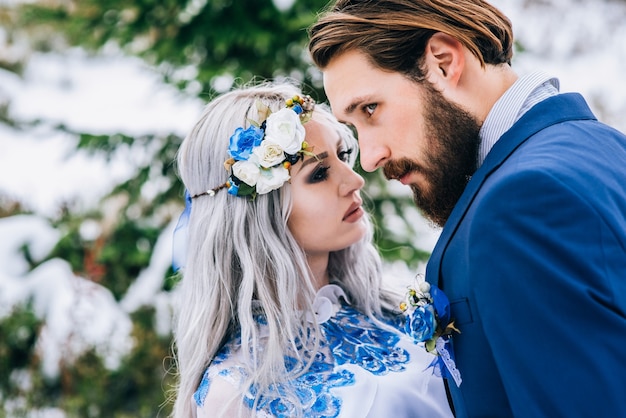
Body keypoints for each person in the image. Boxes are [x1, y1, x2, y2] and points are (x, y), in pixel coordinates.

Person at [308, 0, 626, 417]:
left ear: (442, 62)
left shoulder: (519, 203)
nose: (369, 159)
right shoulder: (604, 147)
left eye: (370, 109)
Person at [171, 82, 454, 418]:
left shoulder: (400, 308)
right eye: (319, 173)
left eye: (343, 156)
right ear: (260, 211)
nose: (354, 180)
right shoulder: (236, 392)